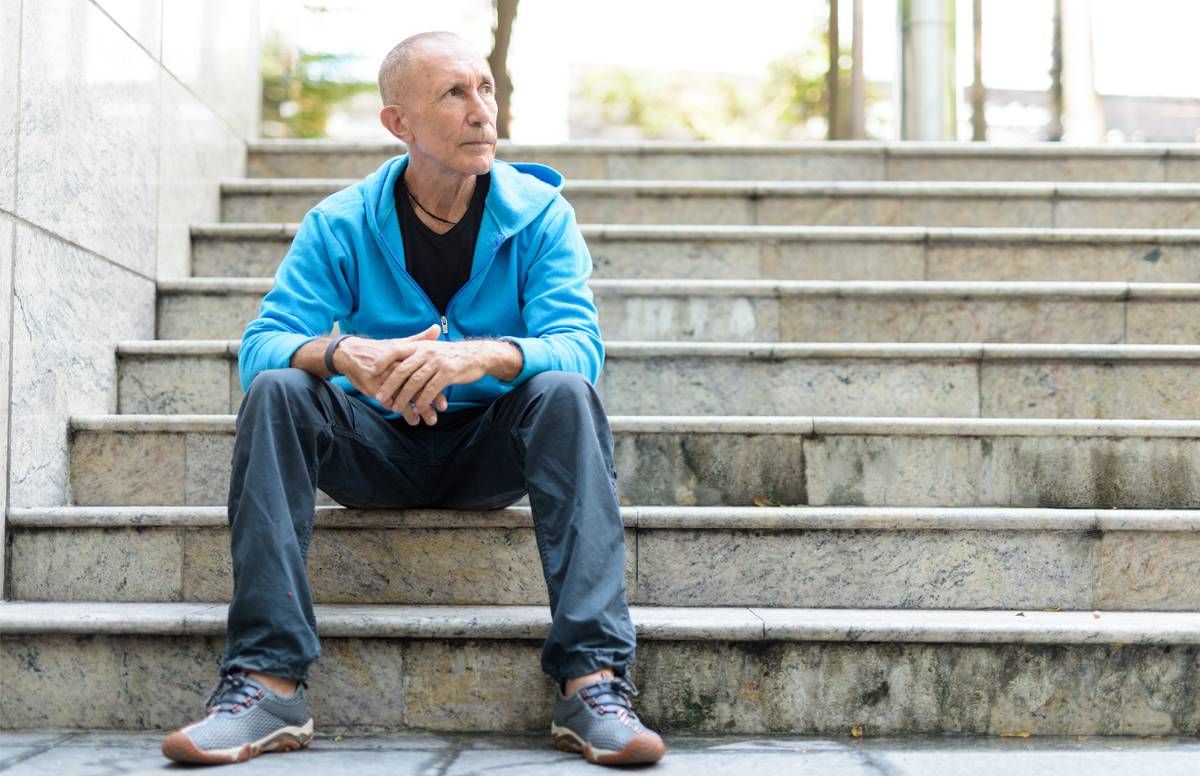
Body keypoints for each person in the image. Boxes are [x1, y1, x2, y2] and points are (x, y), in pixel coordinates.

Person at [161, 30, 666, 768]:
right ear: (399, 124)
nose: (480, 111)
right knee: (279, 389)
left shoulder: (541, 216)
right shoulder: (340, 222)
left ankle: (591, 682)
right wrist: (342, 354)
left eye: (485, 89)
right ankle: (267, 683)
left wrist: (478, 357)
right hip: (377, 449)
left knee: (563, 391)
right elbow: (260, 346)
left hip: (489, 452)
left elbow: (580, 348)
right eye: (454, 94)